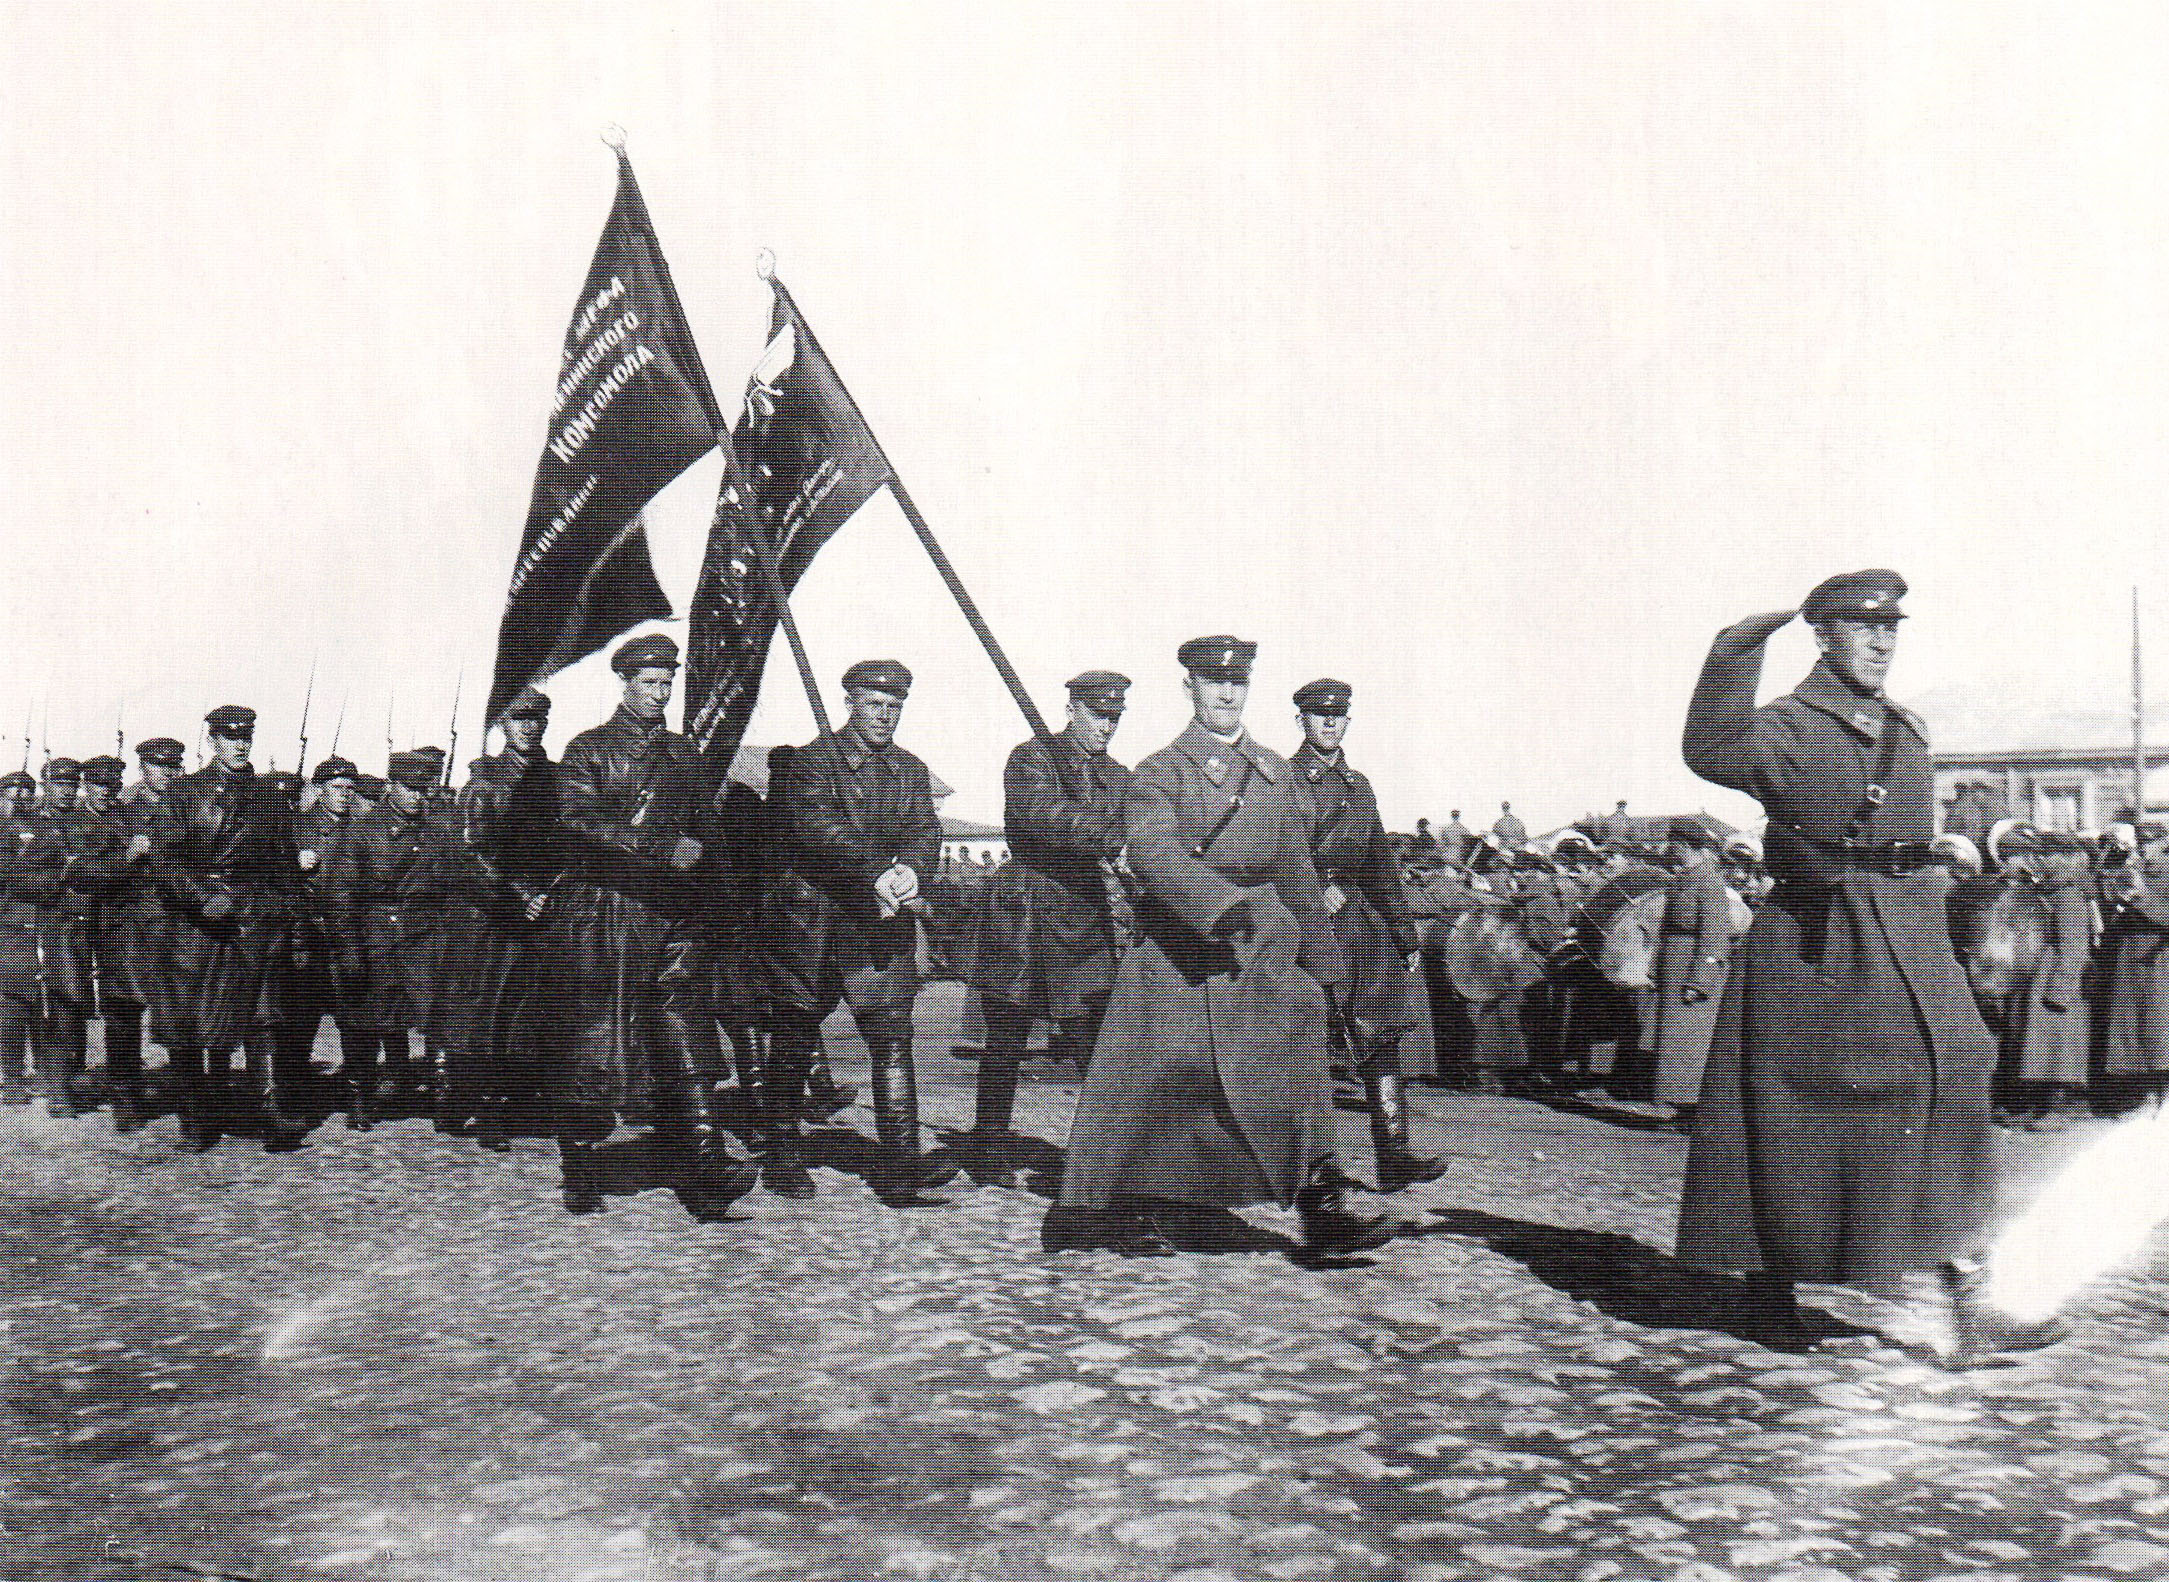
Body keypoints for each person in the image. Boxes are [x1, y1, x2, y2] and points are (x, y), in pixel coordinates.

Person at [1675, 571, 2005, 1352]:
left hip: (1910, 932)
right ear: (1823, 636)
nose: (1883, 642)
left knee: (1959, 1065)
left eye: (1892, 628)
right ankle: (1775, 1281)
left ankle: (1966, 1285)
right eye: (1864, 629)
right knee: (1791, 1108)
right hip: (1817, 943)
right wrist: (1737, 648)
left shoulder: (1906, 729)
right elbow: (1707, 746)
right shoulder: (1786, 725)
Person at [1046, 636, 1391, 1260]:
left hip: (1264, 942)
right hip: (1182, 945)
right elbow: (1153, 850)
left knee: (1299, 1037)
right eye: (1213, 684)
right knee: (1160, 1076)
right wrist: (1215, 904)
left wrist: (1322, 951)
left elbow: (1295, 867)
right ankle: (1119, 1203)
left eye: (1238, 685)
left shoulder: (1274, 770)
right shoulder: (1161, 770)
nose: (1228, 695)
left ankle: (1320, 1200)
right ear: (1191, 690)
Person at [547, 634, 758, 1218]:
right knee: (597, 1037)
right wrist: (662, 846)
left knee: (682, 1022)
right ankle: (582, 1164)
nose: (660, 693)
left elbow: (707, 832)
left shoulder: (682, 754)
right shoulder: (587, 749)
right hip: (606, 913)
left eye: (668, 683)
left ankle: (704, 1159)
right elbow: (576, 825)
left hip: (675, 915)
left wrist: (722, 896)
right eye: (649, 683)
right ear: (626, 684)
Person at [761, 660, 955, 1204]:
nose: (885, 715)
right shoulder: (812, 762)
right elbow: (816, 829)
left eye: (895, 707)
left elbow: (925, 829)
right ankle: (780, 1149)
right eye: (874, 704)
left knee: (892, 1038)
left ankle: (899, 1165)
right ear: (849, 703)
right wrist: (878, 869)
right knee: (796, 1037)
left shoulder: (911, 770)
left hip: (879, 923)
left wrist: (912, 869)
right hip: (815, 924)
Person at [957, 669, 1134, 1189]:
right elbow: (1038, 817)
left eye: (1115, 718)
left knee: (1096, 1040)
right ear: (1073, 709)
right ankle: (988, 1146)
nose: (1107, 726)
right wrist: (1107, 834)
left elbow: (1135, 827)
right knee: (1007, 1036)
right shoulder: (1032, 757)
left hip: (1082, 918)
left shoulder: (1120, 776)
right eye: (1099, 715)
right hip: (1025, 914)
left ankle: (1101, 1155)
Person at [1288, 678, 1445, 1191]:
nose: (1330, 723)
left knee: (1381, 1035)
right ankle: (1305, 1170)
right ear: (1302, 722)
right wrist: (1313, 891)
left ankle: (1394, 1155)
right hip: (1304, 926)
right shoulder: (1286, 781)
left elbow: (1380, 862)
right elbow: (1273, 853)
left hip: (1360, 925)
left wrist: (1404, 933)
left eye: (1338, 716)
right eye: (1319, 715)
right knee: (1305, 1040)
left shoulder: (1361, 786)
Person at [152, 705, 309, 1152]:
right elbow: (165, 860)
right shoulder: (184, 793)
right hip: (198, 924)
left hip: (256, 917)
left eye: (246, 737)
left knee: (263, 1015)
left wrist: (290, 924)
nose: (239, 745)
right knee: (189, 1023)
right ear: (212, 741)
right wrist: (204, 897)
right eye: (229, 737)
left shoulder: (269, 795)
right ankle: (196, 1114)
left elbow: (285, 866)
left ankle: (272, 1110)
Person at [436, 688, 562, 1152]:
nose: (529, 727)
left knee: (526, 1013)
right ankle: (474, 1102)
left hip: (542, 908)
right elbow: (468, 858)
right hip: (490, 914)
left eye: (537, 720)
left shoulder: (557, 779)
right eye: (518, 719)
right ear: (502, 725)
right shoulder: (484, 782)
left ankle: (505, 1098)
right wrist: (516, 897)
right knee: (484, 1013)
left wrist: (548, 894)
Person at [332, 750, 453, 1125]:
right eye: (411, 789)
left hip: (426, 934)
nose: (419, 797)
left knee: (439, 1015)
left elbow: (458, 882)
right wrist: (350, 951)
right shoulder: (362, 832)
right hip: (375, 935)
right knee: (363, 1019)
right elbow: (339, 895)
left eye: (425, 789)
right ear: (391, 787)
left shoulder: (438, 830)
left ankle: (443, 1095)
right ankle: (360, 1096)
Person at [99, 739, 186, 1132]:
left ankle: (190, 1100)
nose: (168, 773)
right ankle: (126, 1098)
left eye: (174, 767)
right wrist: (129, 856)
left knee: (180, 1011)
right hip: (128, 927)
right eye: (160, 767)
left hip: (177, 925)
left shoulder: (189, 809)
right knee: (124, 1013)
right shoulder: (120, 815)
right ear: (144, 769)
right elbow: (91, 873)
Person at [286, 755, 371, 1123]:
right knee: (301, 1018)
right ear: (319, 790)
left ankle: (358, 1098)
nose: (344, 795)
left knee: (355, 1018)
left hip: (351, 934)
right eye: (337, 788)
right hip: (309, 934)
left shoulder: (364, 828)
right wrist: (295, 863)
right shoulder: (299, 828)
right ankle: (297, 1094)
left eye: (350, 789)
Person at [1994, 826, 2093, 1129]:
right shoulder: (2053, 890)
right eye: (2041, 854)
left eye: (2048, 855)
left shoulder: (2069, 895)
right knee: (2039, 1044)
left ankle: (2064, 1105)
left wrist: (2060, 988)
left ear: (2068, 858)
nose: (2042, 860)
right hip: (2041, 973)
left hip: (2059, 979)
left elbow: (2074, 947)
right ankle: (2038, 1104)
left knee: (2059, 1045)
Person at [1650, 828, 1741, 1121]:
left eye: (1673, 843)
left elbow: (1715, 937)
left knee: (1689, 1042)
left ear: (1687, 845)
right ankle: (1673, 1105)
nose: (1669, 848)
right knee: (1671, 1041)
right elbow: (1665, 929)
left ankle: (1688, 1108)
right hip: (1673, 969)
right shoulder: (1682, 880)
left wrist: (1701, 981)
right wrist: (1655, 966)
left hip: (1692, 971)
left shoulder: (1709, 882)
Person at [2093, 823, 2169, 1106]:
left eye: (2152, 843)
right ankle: (2139, 1090)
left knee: (2157, 1025)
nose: (2146, 850)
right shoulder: (2133, 869)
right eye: (2142, 843)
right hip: (2129, 953)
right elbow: (2106, 895)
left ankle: (2159, 1091)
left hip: (2159, 957)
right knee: (2129, 1025)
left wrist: (2141, 897)